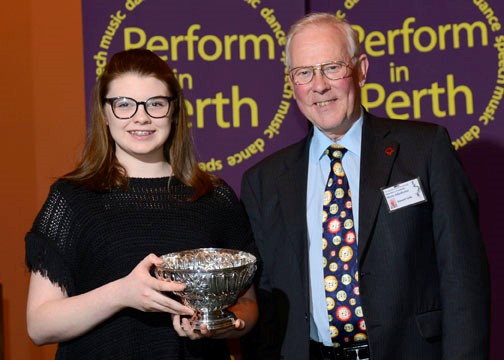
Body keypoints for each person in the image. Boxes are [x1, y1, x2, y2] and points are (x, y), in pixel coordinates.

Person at [240, 13, 490, 360]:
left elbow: (463, 278)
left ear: (360, 69)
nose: (319, 85)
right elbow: (265, 300)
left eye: (332, 68)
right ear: (291, 82)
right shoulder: (263, 181)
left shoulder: (424, 150)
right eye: (304, 73)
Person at [25, 48, 258, 359]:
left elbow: (248, 307)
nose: (141, 117)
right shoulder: (71, 199)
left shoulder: (215, 197)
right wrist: (122, 293)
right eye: (124, 104)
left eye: (156, 104)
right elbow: (40, 325)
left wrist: (219, 326)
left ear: (174, 112)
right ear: (104, 113)